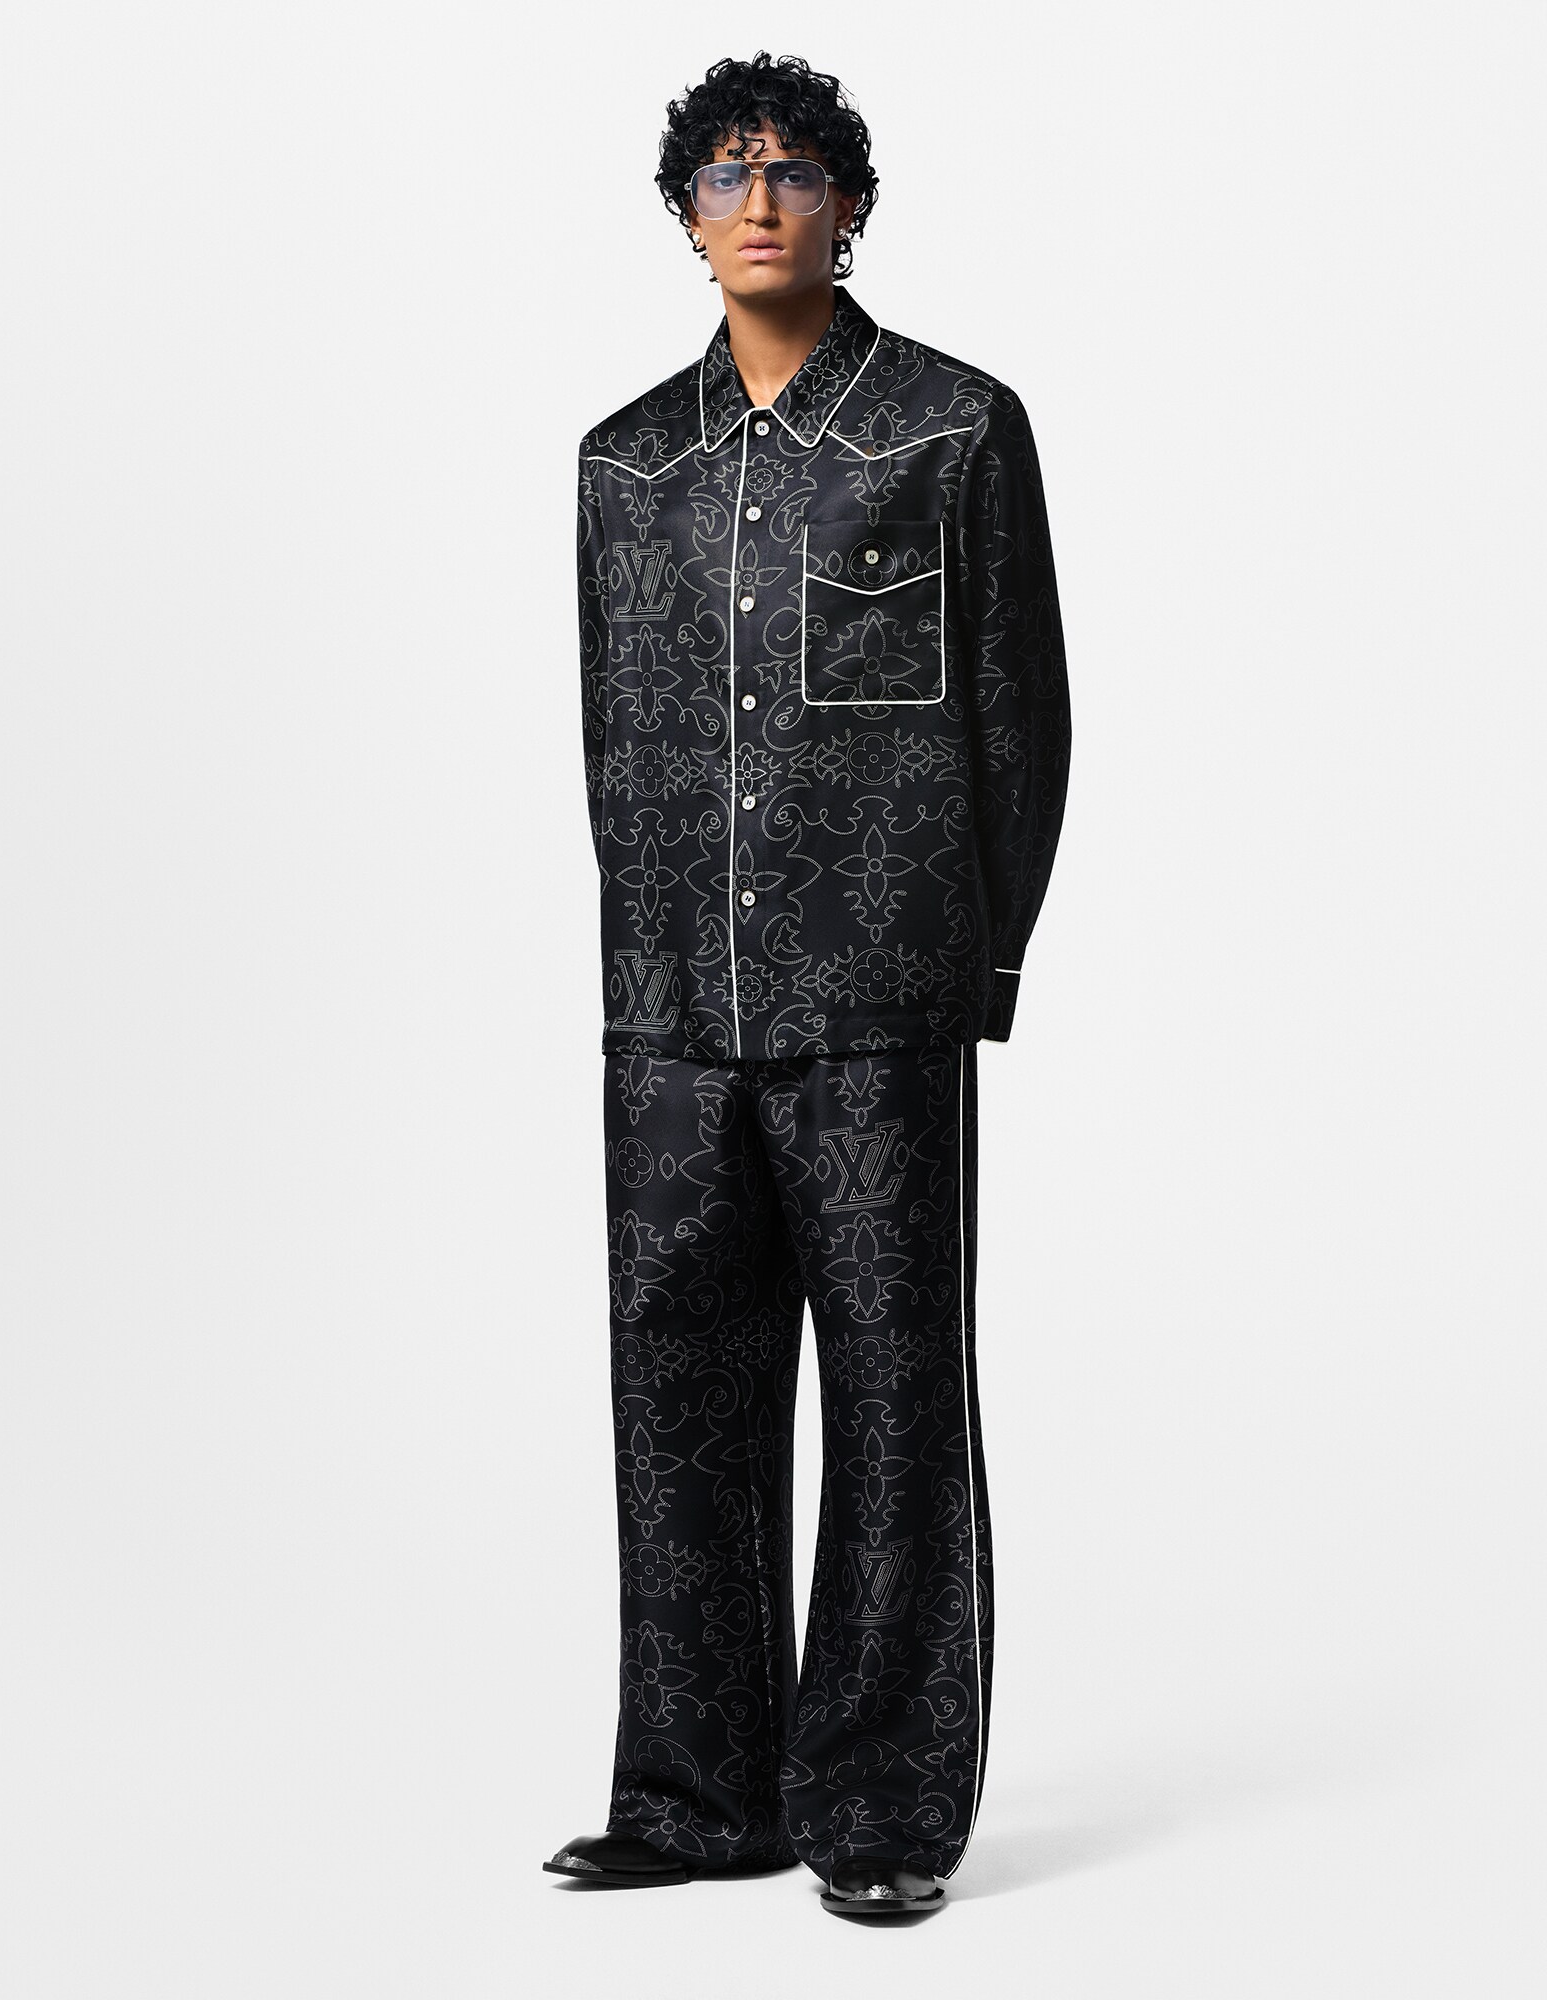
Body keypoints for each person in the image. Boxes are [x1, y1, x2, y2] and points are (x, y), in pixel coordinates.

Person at [545, 49, 1072, 1920]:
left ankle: (884, 1808)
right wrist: (639, 969)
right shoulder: (625, 465)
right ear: (685, 214)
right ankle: (699, 1796)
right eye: (724, 171)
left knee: (898, 1400)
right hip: (671, 1013)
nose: (758, 199)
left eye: (792, 170)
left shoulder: (951, 431)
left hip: (879, 997)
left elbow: (1021, 715)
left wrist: (978, 961)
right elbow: (609, 746)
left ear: (849, 203)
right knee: (675, 1393)